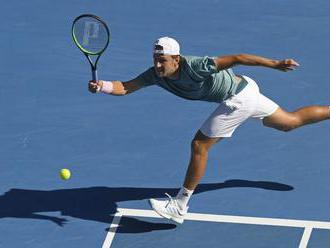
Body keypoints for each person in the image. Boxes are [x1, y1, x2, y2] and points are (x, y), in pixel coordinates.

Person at [88, 37, 330, 224]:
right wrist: (102, 87)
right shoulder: (156, 75)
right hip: (245, 89)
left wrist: (275, 64)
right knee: (289, 122)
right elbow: (127, 87)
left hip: (237, 98)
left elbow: (238, 57)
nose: (158, 65)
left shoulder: (196, 66)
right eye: (155, 59)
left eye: (163, 60)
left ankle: (180, 205)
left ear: (177, 59)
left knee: (199, 145)